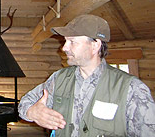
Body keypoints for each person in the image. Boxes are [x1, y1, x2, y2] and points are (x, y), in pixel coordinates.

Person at [18, 14, 155, 137]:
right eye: (65, 41)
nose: (64, 47)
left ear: (95, 46)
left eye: (72, 41)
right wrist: (32, 112)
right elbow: (24, 103)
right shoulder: (58, 79)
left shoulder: (132, 89)